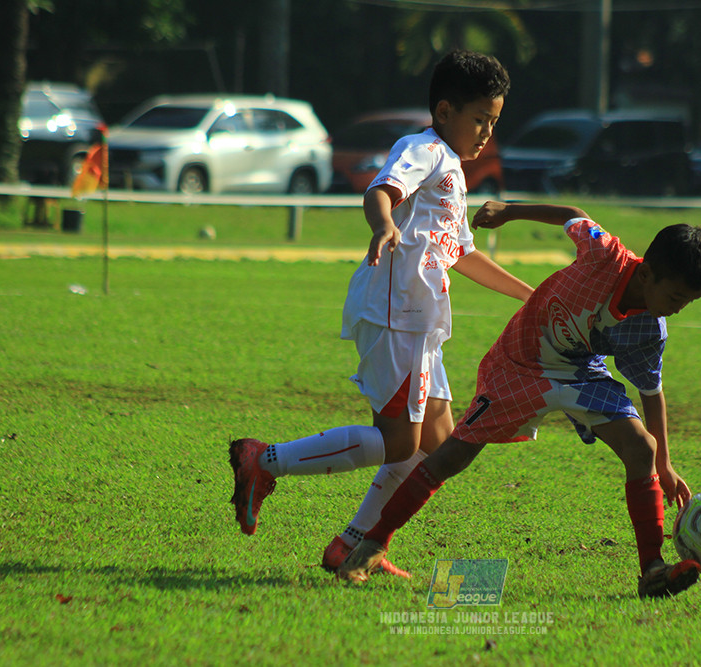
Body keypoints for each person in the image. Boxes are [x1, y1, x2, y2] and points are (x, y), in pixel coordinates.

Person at [228, 51, 533, 578]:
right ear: (444, 110)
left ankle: (353, 545)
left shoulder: (455, 172)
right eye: (480, 118)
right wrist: (383, 225)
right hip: (396, 315)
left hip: (421, 324)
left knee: (436, 447)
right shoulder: (423, 149)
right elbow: (381, 190)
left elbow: (462, 253)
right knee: (400, 443)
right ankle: (263, 460)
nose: (487, 131)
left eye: (494, 121)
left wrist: (531, 296)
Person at [338, 201, 701, 599]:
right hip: (520, 361)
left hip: (580, 372)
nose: (677, 309)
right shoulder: (604, 253)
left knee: (642, 447)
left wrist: (665, 463)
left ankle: (652, 570)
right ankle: (372, 543)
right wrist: (508, 211)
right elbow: (572, 212)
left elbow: (651, 392)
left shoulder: (650, 331)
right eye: (676, 296)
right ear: (647, 273)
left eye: (687, 302)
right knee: (453, 455)